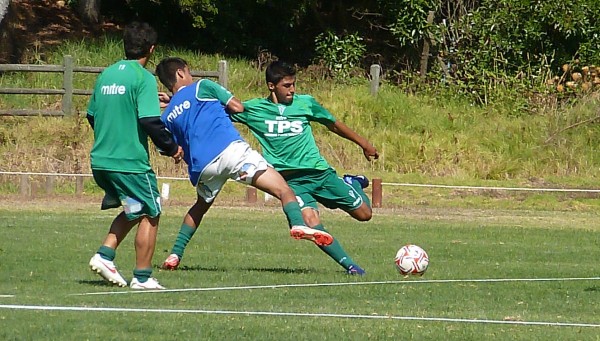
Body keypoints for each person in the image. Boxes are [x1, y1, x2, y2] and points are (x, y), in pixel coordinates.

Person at [154, 57, 334, 270]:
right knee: (284, 189)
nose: (192, 76)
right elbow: (237, 107)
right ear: (181, 74)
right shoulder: (203, 86)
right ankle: (298, 224)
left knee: (199, 208)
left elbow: (169, 149)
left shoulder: (167, 115)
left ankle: (175, 254)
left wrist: (175, 104)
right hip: (231, 151)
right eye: (189, 71)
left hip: (203, 168)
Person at [230, 60, 379, 275]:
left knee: (365, 214)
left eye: (293, 84)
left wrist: (364, 144)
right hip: (290, 183)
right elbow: (215, 112)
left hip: (320, 173)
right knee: (310, 223)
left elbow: (333, 124)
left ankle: (352, 182)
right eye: (287, 85)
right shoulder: (252, 109)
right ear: (271, 86)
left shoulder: (306, 103)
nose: (292, 90)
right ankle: (351, 266)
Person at [86, 22, 184, 290]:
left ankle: (105, 255)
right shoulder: (143, 78)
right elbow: (150, 121)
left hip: (101, 161)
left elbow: (92, 115)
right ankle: (142, 277)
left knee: (135, 208)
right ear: (151, 49)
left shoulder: (106, 75)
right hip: (129, 163)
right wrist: (172, 147)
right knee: (152, 211)